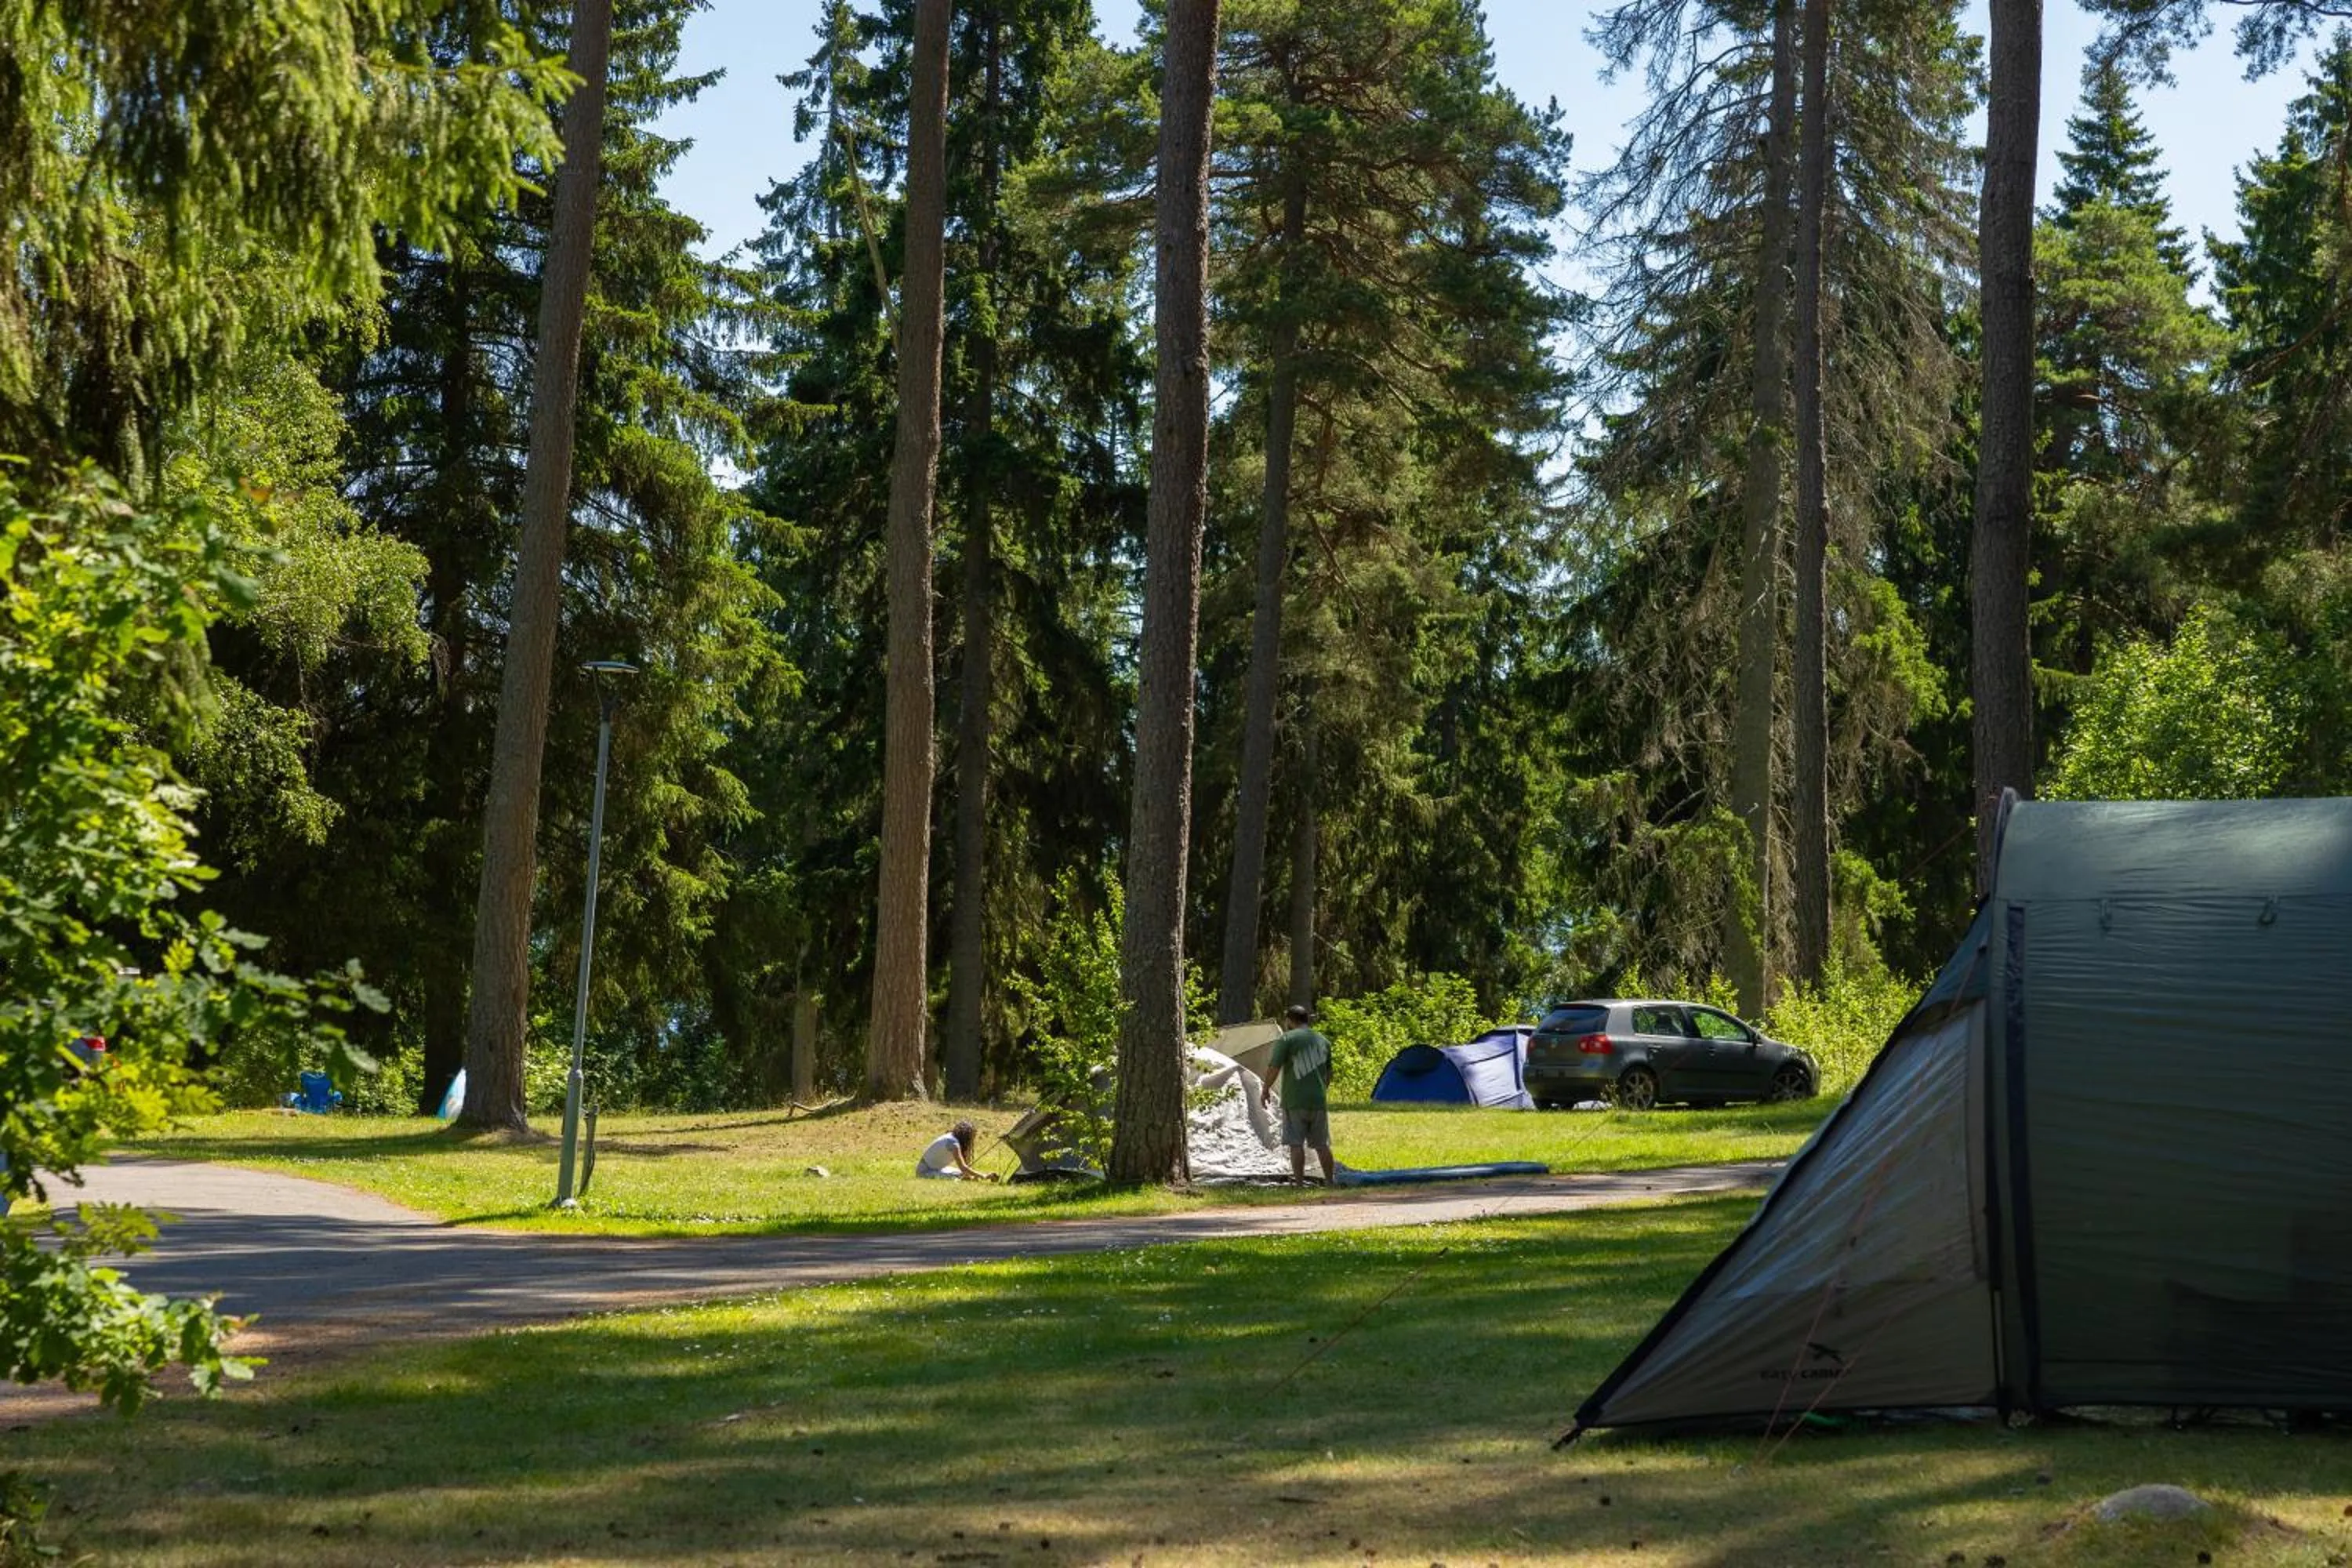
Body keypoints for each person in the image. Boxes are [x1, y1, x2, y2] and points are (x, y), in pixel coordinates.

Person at [1259, 1004, 1336, 1184]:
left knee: (1296, 1144)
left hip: (1294, 1099)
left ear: (1289, 1020)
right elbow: (1329, 1073)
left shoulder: (1287, 1039)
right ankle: (1331, 1183)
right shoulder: (1323, 1040)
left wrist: (1265, 1089)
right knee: (1322, 1144)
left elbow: (1274, 1067)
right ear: (1306, 1020)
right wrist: (1321, 1090)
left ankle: (1300, 1184)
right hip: (1318, 1100)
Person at [916, 1119, 998, 1181]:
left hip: (937, 1168)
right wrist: (983, 1176)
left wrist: (972, 1175)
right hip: (925, 1172)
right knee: (958, 1177)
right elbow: (963, 1167)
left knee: (962, 1175)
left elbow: (965, 1169)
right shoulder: (953, 1144)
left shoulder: (952, 1138)